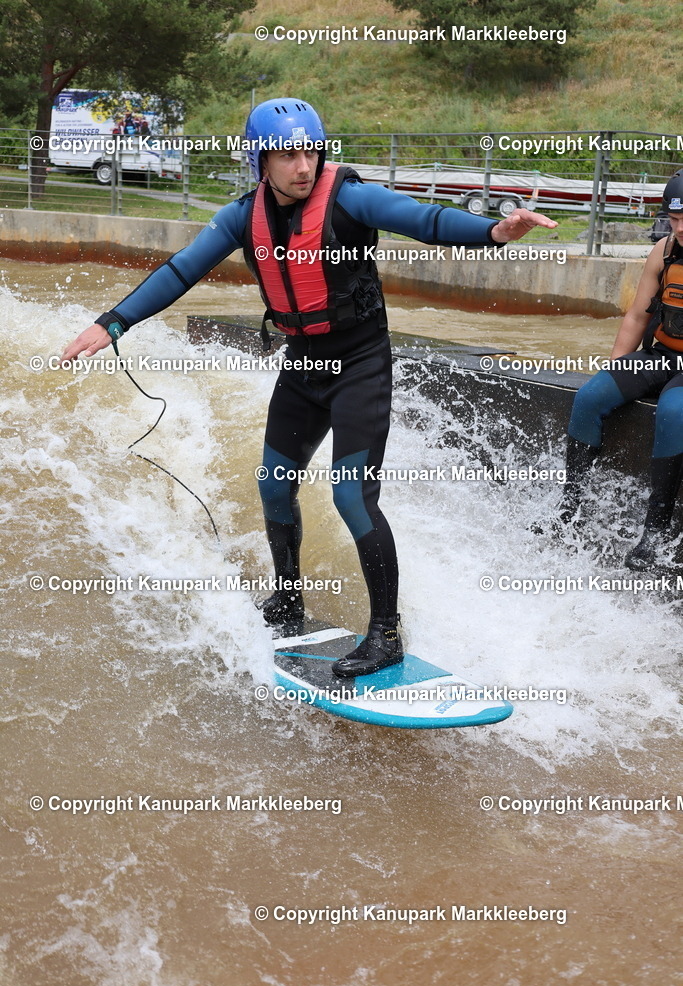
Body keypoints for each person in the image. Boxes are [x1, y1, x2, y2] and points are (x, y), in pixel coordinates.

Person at [60, 97, 557, 678]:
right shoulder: (242, 217)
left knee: (350, 495)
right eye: (287, 154)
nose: (303, 165)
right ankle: (289, 597)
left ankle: (386, 633)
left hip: (360, 365)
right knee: (275, 485)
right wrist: (112, 321)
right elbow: (180, 271)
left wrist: (495, 230)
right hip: (303, 367)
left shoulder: (349, 197)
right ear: (260, 161)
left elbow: (426, 220)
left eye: (311, 151)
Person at [554, 170, 683, 570]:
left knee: (674, 413)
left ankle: (655, 533)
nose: (679, 228)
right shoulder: (663, 251)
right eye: (674, 219)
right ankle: (569, 512)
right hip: (662, 355)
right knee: (592, 395)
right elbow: (634, 318)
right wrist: (618, 373)